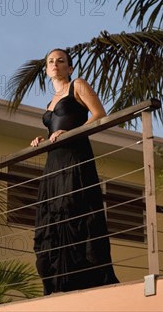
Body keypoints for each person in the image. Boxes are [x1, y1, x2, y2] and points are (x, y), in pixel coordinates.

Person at [30, 48, 119, 295]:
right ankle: (60, 284)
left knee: (75, 210)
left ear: (69, 68)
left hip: (75, 157)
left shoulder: (77, 85)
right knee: (53, 217)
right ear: (47, 70)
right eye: (50, 61)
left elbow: (100, 115)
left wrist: (68, 133)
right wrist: (44, 138)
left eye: (60, 61)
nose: (55, 64)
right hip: (53, 164)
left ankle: (86, 280)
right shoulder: (50, 101)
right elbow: (55, 130)